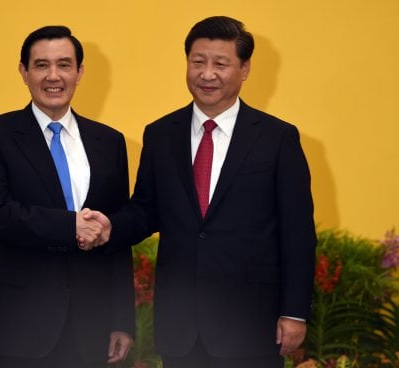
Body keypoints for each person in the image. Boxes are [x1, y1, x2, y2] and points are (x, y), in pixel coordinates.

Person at [83, 16, 316, 368]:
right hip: (181, 327)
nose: (207, 74)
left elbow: (298, 233)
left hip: (251, 324)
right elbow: (146, 210)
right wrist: (109, 226)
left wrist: (294, 312)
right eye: (198, 62)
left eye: (220, 64)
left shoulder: (278, 139)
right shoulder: (160, 134)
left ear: (244, 68)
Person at [0, 25, 134, 368]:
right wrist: (70, 225)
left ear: (79, 72)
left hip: (93, 327)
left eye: (64, 65)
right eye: (41, 65)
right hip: (22, 327)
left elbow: (115, 235)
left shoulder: (110, 142)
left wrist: (122, 320)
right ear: (24, 72)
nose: (53, 76)